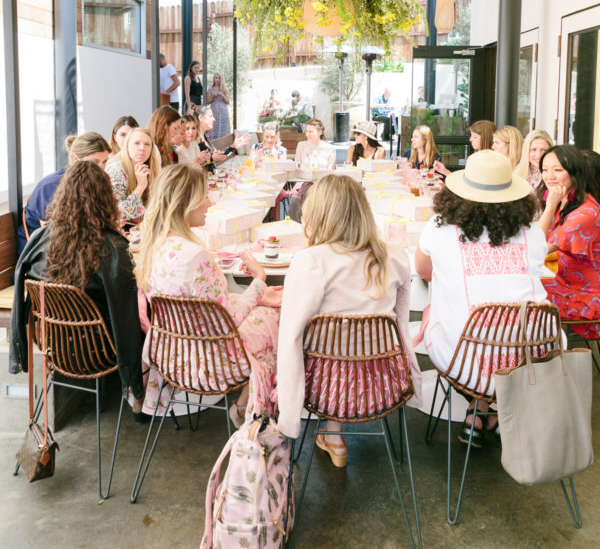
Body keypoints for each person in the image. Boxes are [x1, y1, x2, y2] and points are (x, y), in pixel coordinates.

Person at [277, 175, 421, 464]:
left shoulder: (311, 261)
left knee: (287, 335)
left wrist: (289, 415)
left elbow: (290, 336)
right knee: (349, 344)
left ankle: (323, 434)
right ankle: (333, 435)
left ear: (319, 214)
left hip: (325, 389)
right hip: (386, 382)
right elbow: (400, 325)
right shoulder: (393, 256)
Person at [415, 150, 549, 446]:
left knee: (445, 315)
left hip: (463, 362)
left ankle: (478, 407)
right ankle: (490, 410)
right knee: (492, 327)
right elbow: (536, 272)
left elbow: (423, 270)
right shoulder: (531, 233)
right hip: (530, 357)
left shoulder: (440, 227)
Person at [134, 165, 282, 423]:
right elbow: (229, 319)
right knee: (275, 318)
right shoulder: (196, 255)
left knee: (264, 309)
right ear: (186, 202)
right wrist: (259, 281)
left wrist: (257, 296)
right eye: (203, 196)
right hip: (210, 360)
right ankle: (247, 408)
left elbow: (201, 310)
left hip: (172, 352)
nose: (210, 202)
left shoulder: (152, 246)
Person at [11, 162, 145, 416]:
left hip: (54, 344)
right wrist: (134, 385)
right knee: (146, 316)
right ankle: (140, 403)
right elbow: (125, 318)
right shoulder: (113, 247)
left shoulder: (40, 237)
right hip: (100, 349)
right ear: (105, 198)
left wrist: (18, 353)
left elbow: (20, 279)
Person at [537, 145, 600, 339]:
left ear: (575, 172)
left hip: (586, 295)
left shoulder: (585, 213)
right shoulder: (569, 201)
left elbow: (537, 250)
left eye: (557, 170)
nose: (549, 177)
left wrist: (549, 208)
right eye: (545, 170)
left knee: (521, 298)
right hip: (564, 283)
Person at [17, 131, 110, 254]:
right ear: (76, 159)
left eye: (104, 161)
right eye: (95, 162)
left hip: (74, 249)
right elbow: (53, 236)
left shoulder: (92, 182)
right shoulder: (51, 186)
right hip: (41, 258)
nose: (101, 168)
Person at [106, 127, 160, 225]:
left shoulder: (150, 168)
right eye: (136, 143)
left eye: (147, 144)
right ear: (127, 146)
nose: (142, 148)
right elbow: (118, 214)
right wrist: (141, 186)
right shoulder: (116, 171)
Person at [289, 118, 337, 222]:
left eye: (311, 131)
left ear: (320, 132)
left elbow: (331, 172)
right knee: (295, 200)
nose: (307, 134)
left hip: (322, 184)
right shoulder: (301, 146)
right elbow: (297, 168)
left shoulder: (329, 148)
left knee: (316, 197)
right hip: (303, 182)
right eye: (306, 131)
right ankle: (297, 227)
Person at [196, 105, 250, 173]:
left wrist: (233, 146)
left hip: (211, 178)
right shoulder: (194, 140)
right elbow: (193, 164)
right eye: (210, 116)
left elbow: (219, 156)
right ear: (201, 118)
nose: (214, 119)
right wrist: (211, 158)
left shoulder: (206, 137)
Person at [206, 72, 231, 138]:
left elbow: (228, 102)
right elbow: (208, 102)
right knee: (214, 127)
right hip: (214, 111)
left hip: (223, 112)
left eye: (219, 78)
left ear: (221, 79)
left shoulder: (225, 89)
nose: (217, 80)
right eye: (216, 78)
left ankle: (224, 144)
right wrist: (213, 96)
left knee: (223, 127)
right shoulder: (210, 89)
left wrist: (222, 95)